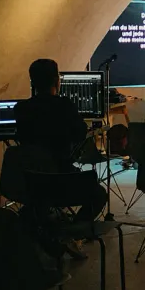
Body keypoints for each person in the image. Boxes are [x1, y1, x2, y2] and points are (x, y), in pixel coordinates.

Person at [15, 58, 107, 221]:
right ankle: (75, 229)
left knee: (37, 202)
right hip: (61, 180)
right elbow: (79, 134)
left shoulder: (21, 109)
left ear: (33, 82)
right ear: (57, 81)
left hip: (31, 181)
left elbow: (22, 139)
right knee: (99, 195)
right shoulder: (65, 106)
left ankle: (43, 224)